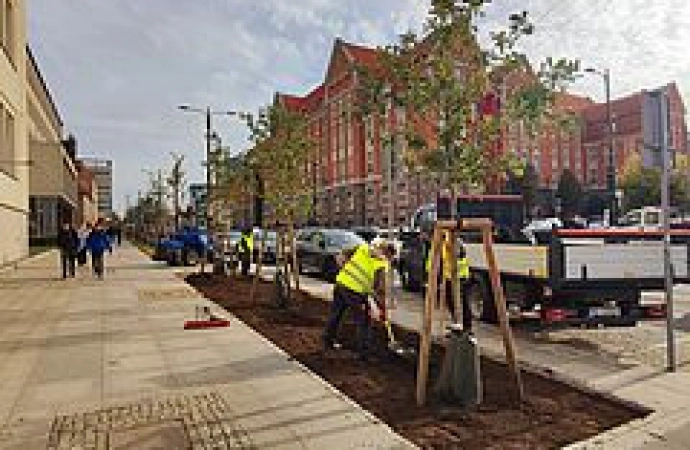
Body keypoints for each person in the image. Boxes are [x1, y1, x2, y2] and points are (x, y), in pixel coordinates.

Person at [323, 242, 396, 360]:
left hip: (341, 283)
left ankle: (328, 341)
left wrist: (345, 271)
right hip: (354, 292)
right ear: (389, 254)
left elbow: (340, 256)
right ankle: (364, 354)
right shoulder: (381, 264)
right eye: (391, 259)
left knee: (336, 313)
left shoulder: (363, 248)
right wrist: (382, 309)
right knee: (364, 320)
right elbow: (380, 291)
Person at [425, 230, 473, 331]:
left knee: (462, 302)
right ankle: (457, 322)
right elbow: (433, 261)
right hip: (449, 277)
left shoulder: (453, 241)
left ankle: (466, 327)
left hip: (460, 276)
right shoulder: (439, 244)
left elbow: (459, 254)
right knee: (450, 300)